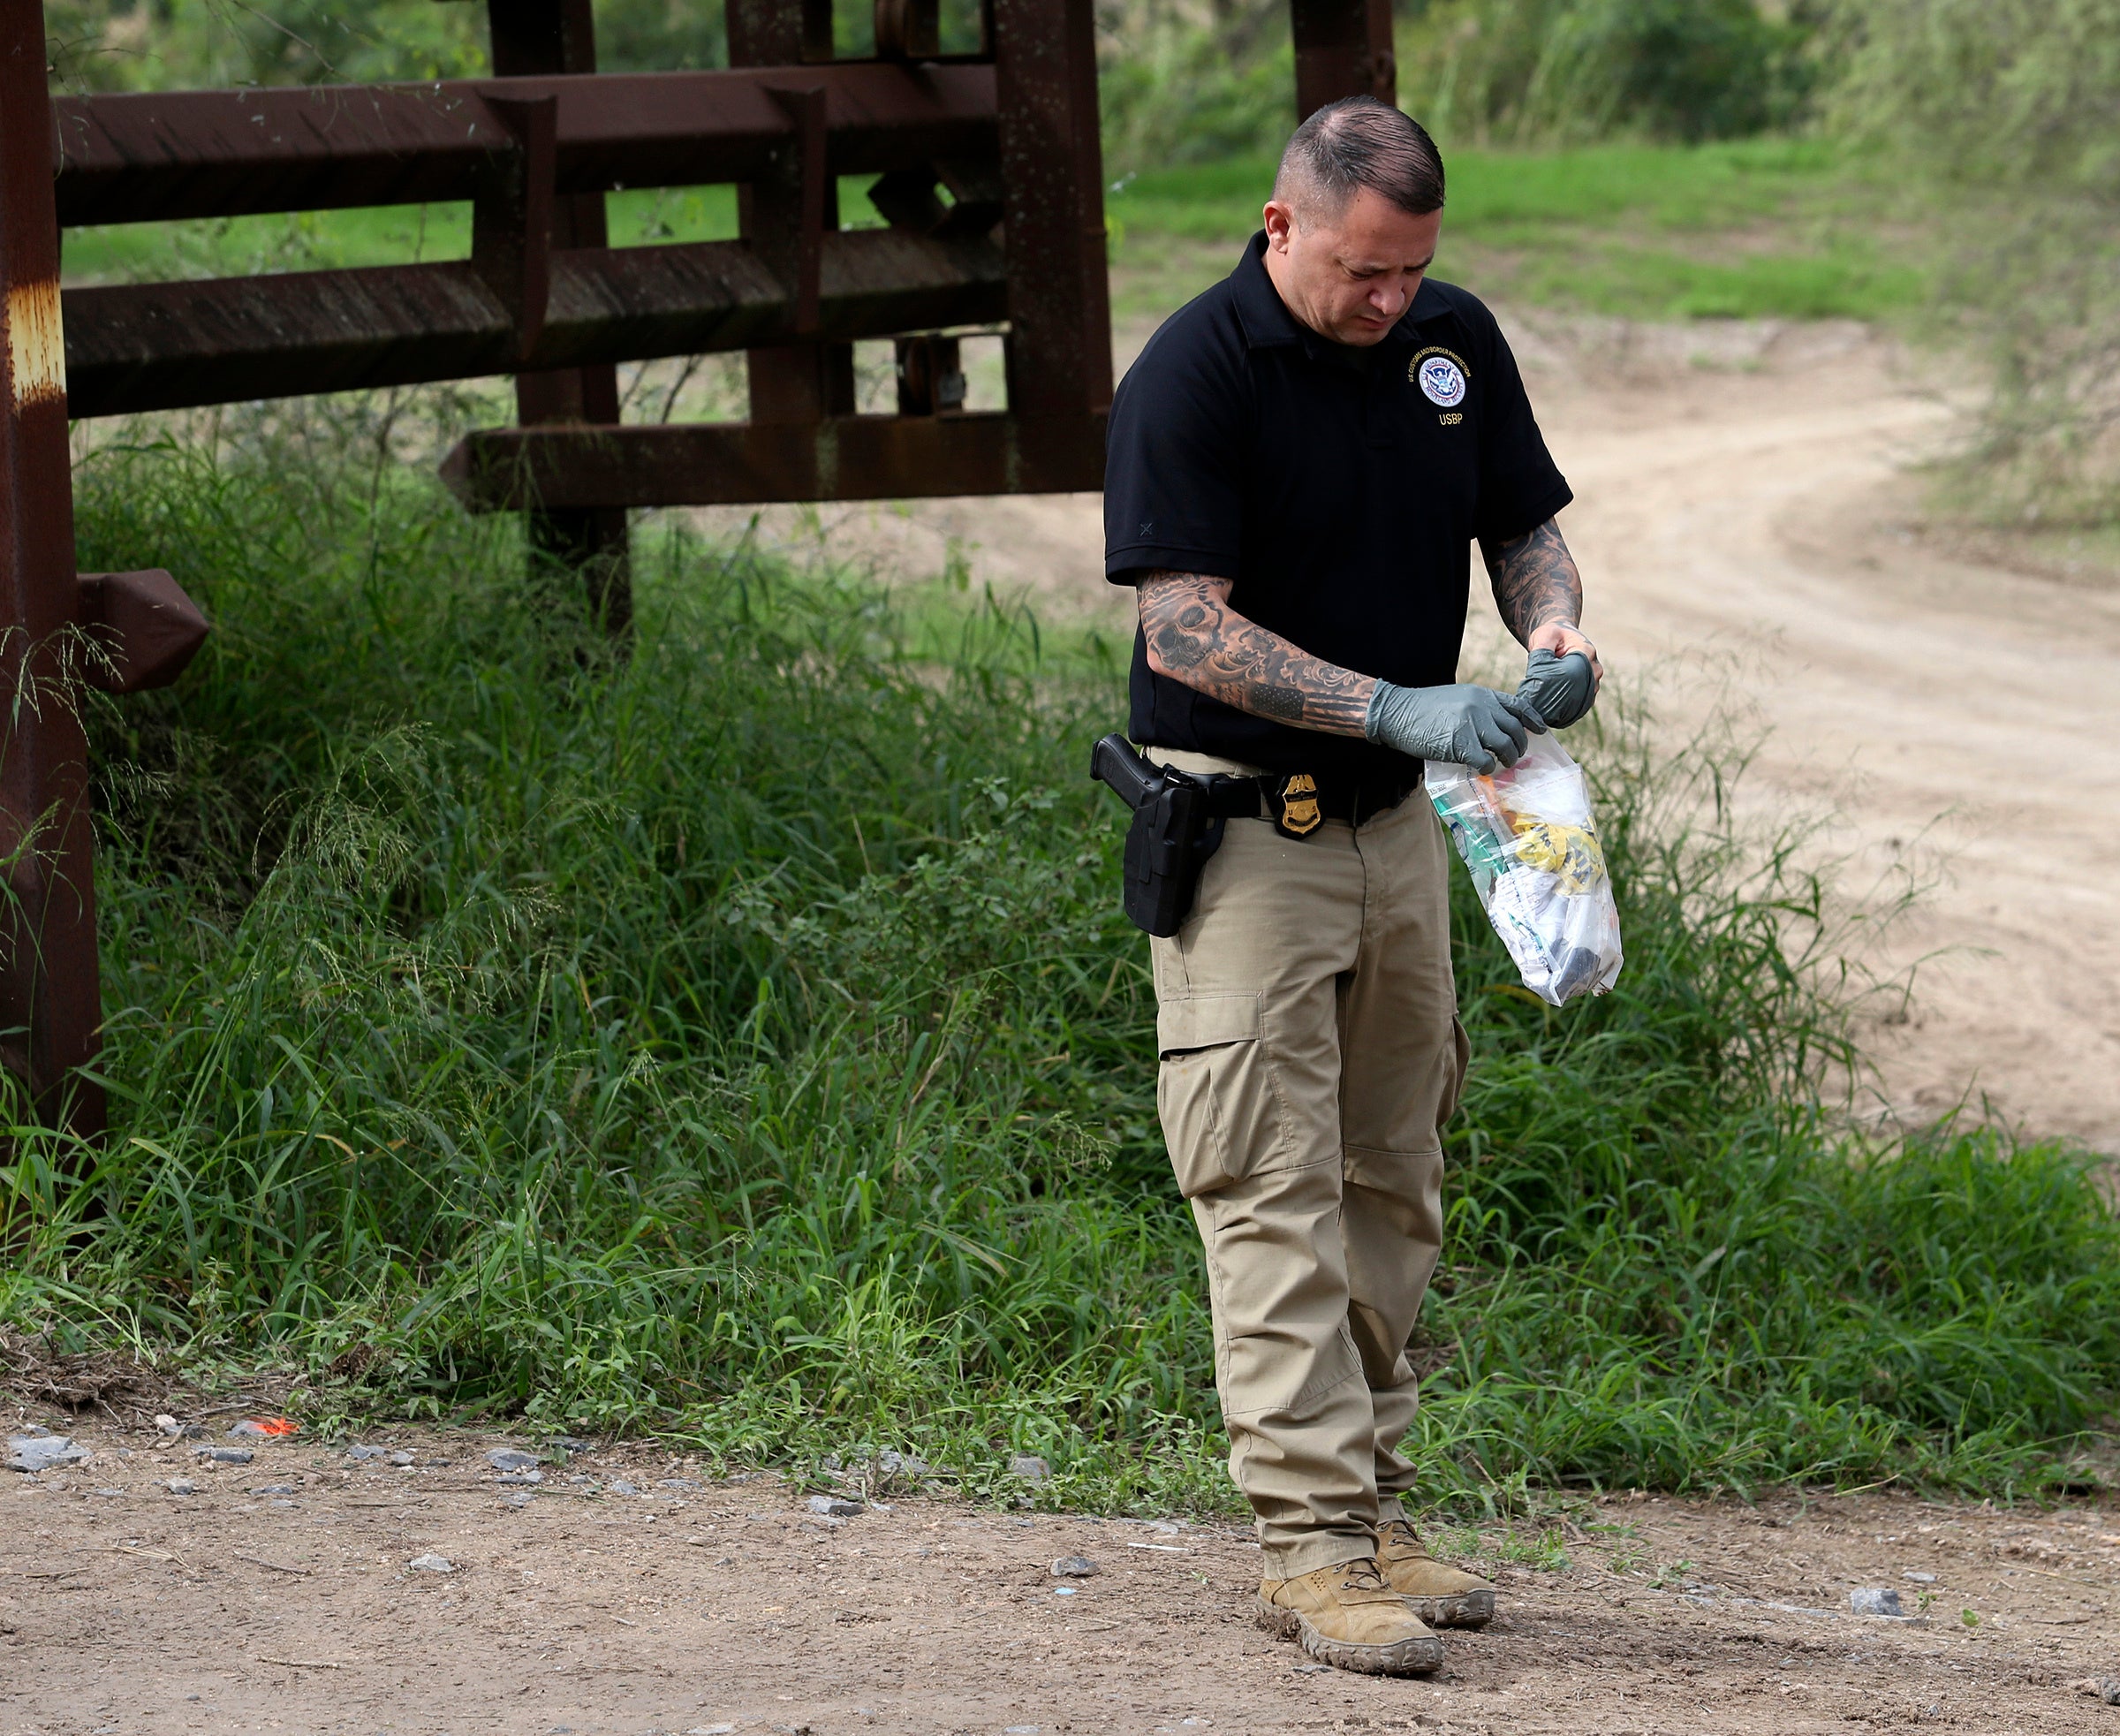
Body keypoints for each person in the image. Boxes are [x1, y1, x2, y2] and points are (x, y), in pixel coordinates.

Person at [1100, 96, 1601, 1678]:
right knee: (1270, 1186)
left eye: (1411, 270)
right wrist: (1394, 703)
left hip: (1402, 837)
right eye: (1361, 270)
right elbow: (1183, 629)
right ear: (1281, 225)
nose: (1388, 301)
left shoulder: (1452, 341)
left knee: (1395, 1174)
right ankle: (1306, 1552)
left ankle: (1375, 1510)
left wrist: (1555, 637)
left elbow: (1525, 525)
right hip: (1247, 833)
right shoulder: (1196, 371)